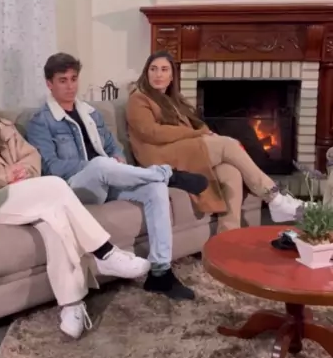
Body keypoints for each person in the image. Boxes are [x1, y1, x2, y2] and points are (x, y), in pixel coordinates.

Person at [0, 68, 151, 341]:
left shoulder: (1, 126)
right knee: (55, 185)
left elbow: (32, 156)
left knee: (52, 224)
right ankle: (105, 252)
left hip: (23, 192)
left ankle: (72, 304)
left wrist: (23, 172)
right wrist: (4, 176)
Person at [27, 53, 208, 302]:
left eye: (73, 79)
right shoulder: (41, 122)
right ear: (49, 83)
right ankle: (167, 173)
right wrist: (100, 165)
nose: (70, 86)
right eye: (62, 80)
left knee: (155, 189)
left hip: (108, 181)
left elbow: (114, 147)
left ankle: (160, 273)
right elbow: (52, 168)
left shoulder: (91, 113)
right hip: (75, 188)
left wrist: (118, 158)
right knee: (101, 164)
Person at [126, 51, 303, 233]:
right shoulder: (138, 98)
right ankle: (274, 197)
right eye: (153, 69)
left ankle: (228, 237)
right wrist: (197, 134)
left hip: (179, 148)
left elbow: (196, 125)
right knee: (228, 144)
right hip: (158, 155)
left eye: (164, 70)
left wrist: (205, 133)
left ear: (172, 76)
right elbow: (152, 133)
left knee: (231, 172)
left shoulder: (173, 100)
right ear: (146, 73)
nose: (158, 74)